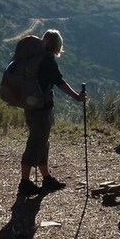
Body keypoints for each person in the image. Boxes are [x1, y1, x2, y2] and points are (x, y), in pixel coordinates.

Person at [18, 28, 86, 197]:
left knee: (41, 142)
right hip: (42, 108)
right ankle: (24, 183)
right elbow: (59, 82)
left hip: (31, 106)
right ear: (57, 45)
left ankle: (46, 178)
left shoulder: (34, 58)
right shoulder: (48, 61)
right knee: (36, 143)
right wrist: (77, 97)